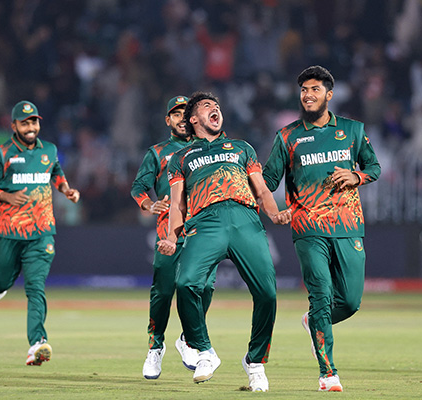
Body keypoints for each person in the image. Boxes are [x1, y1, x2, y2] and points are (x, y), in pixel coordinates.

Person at [157, 92, 291, 391]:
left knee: (268, 293)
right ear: (193, 119)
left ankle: (255, 362)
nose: (215, 109)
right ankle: (205, 352)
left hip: (245, 220)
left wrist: (275, 214)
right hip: (206, 222)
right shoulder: (181, 158)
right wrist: (170, 236)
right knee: (186, 283)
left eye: (216, 106)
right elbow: (178, 205)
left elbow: (262, 190)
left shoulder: (241, 148)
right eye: (206, 107)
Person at [262, 65, 381, 392]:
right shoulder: (287, 136)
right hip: (308, 227)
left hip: (348, 227)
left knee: (350, 302)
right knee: (321, 296)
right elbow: (268, 181)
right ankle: (328, 374)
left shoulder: (353, 131)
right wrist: (248, 185)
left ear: (329, 94)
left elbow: (374, 167)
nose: (308, 95)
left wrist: (356, 176)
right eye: (303, 89)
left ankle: (313, 321)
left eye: (315, 89)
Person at [0, 100, 80, 366]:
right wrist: (5, 195)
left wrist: (66, 189)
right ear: (13, 125)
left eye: (34, 121)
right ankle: (0, 284)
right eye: (24, 122)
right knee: (1, 281)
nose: (30, 127)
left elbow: (56, 173)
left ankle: (37, 343)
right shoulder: (2, 153)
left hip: (41, 232)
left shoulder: (49, 150)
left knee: (35, 287)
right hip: (9, 232)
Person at [131, 96, 216, 379]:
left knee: (205, 289)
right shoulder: (157, 152)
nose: (181, 118)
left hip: (204, 230)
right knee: (164, 292)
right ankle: (155, 347)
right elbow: (140, 187)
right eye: (175, 114)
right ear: (168, 120)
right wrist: (148, 204)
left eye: (186, 113)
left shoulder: (207, 147)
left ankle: (187, 339)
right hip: (170, 233)